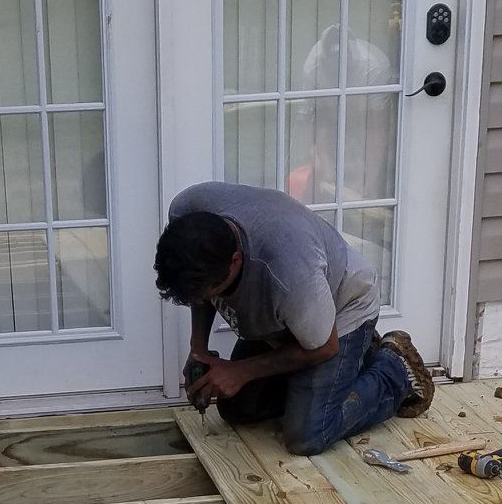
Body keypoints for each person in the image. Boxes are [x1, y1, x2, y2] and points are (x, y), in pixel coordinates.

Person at [154, 181, 433, 456]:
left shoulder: (290, 273)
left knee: (308, 435)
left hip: (342, 309)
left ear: (236, 261)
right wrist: (198, 350)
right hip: (289, 315)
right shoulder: (186, 212)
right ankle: (348, 367)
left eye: (210, 291)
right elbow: (198, 291)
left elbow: (325, 347)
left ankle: (393, 368)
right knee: (237, 407)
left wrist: (241, 371)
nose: (205, 298)